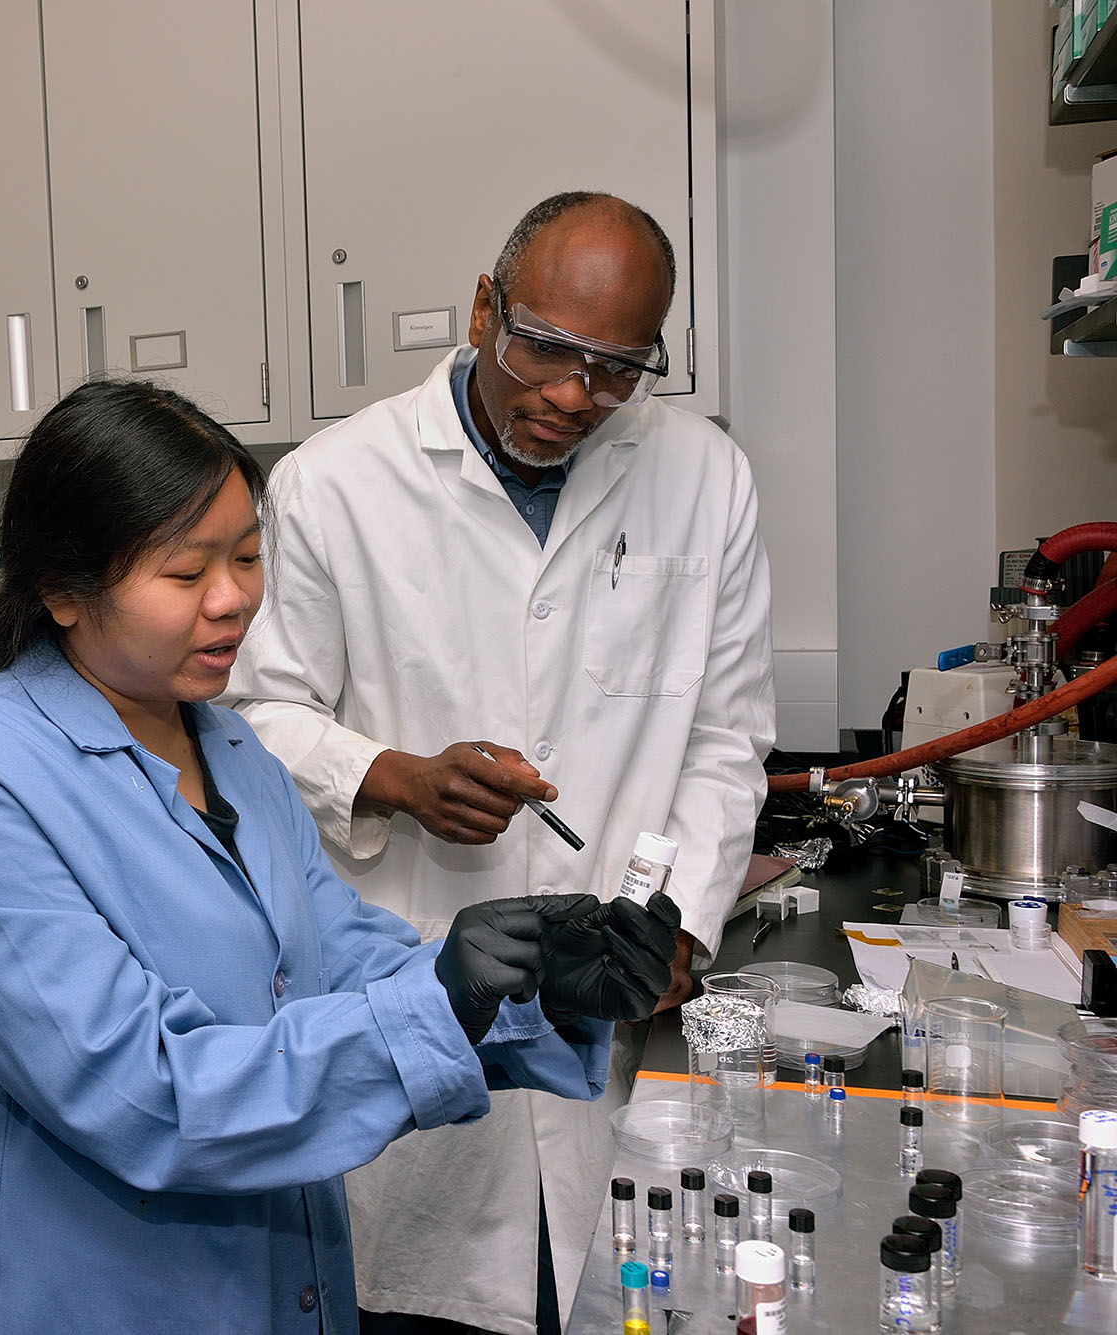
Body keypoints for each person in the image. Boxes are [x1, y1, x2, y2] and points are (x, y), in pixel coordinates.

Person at [0, 376, 683, 1335]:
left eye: (249, 557)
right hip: (109, 1302)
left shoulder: (232, 751)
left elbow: (339, 959)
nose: (233, 601)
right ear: (61, 589)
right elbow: (147, 1096)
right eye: (185, 574)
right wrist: (438, 1004)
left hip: (287, 1289)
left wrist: (531, 991)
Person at [226, 191, 776, 1335]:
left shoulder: (704, 477)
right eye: (542, 349)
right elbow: (251, 718)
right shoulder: (333, 485)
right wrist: (391, 777)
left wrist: (676, 924)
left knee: (610, 1289)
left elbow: (725, 736)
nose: (571, 395)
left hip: (605, 1022)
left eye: (616, 368)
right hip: (412, 991)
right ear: (482, 308)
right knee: (415, 1307)